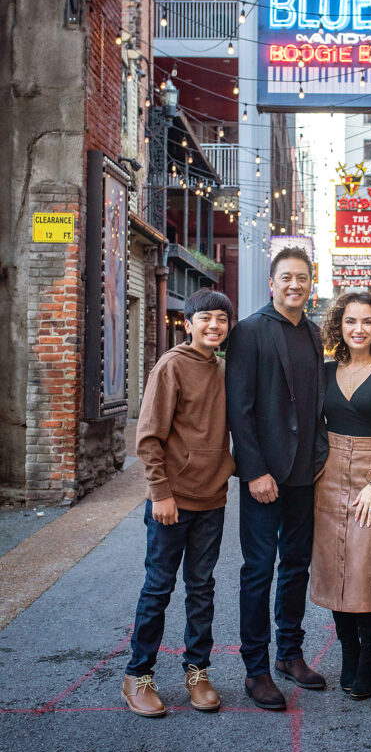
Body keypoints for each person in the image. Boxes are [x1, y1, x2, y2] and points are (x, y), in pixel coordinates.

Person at [122, 288, 235, 718]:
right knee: (158, 588)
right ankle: (138, 673)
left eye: (221, 320)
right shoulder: (171, 366)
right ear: (188, 324)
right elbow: (148, 438)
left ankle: (197, 670)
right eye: (204, 318)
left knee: (202, 588)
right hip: (172, 501)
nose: (213, 326)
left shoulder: (225, 370)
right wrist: (160, 493)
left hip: (213, 499)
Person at [226, 247, 329, 711]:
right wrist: (254, 471)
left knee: (296, 566)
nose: (294, 285)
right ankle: (256, 669)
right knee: (258, 570)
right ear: (273, 283)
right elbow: (239, 410)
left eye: (302, 278)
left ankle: (290, 654)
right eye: (286, 277)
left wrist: (320, 454)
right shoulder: (249, 332)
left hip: (305, 473)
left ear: (311, 284)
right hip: (265, 477)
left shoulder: (312, 332)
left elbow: (314, 404)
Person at [311, 292, 371, 699]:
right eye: (350, 321)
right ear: (339, 326)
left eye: (367, 322)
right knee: (335, 564)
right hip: (330, 473)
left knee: (367, 564)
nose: (358, 329)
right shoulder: (326, 370)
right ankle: (348, 649)